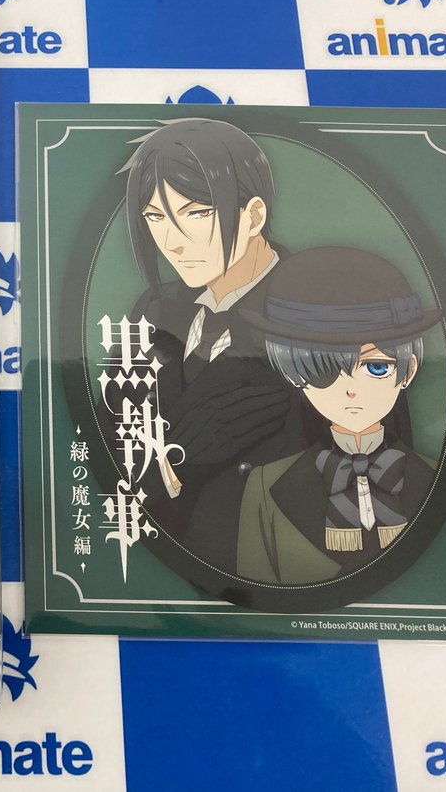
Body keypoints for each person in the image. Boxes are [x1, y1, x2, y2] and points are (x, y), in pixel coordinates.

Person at [118, 118, 306, 572]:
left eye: (197, 213)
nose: (173, 242)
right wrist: (175, 461)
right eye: (155, 217)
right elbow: (111, 440)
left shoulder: (318, 310)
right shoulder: (154, 310)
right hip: (156, 562)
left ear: (253, 216)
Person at [237, 247, 440, 584]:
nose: (351, 391)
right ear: (294, 376)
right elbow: (253, 595)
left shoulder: (436, 478)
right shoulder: (266, 486)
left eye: (376, 368)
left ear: (409, 370)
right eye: (322, 371)